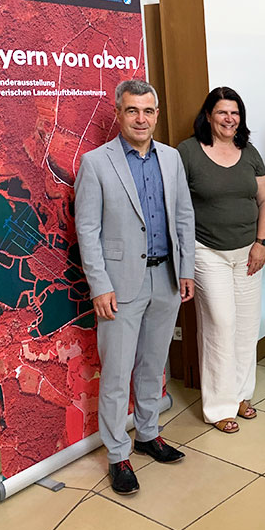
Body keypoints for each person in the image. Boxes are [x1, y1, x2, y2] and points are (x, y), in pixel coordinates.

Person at [74, 80, 195, 495]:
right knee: (117, 372)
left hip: (166, 277)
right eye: (132, 111)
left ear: (156, 115)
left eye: (147, 111)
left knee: (153, 364)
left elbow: (184, 217)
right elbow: (87, 231)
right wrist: (99, 285)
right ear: (118, 114)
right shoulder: (96, 163)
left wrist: (187, 270)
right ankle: (117, 455)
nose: (140, 119)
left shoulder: (172, 159)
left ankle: (147, 434)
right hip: (119, 285)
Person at [178, 87, 265, 434]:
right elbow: (176, 207)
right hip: (207, 251)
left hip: (248, 251)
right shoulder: (188, 152)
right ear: (208, 115)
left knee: (247, 327)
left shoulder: (249, 153)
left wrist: (261, 243)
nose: (229, 119)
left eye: (235, 113)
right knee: (220, 323)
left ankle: (241, 395)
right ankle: (219, 406)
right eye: (222, 112)